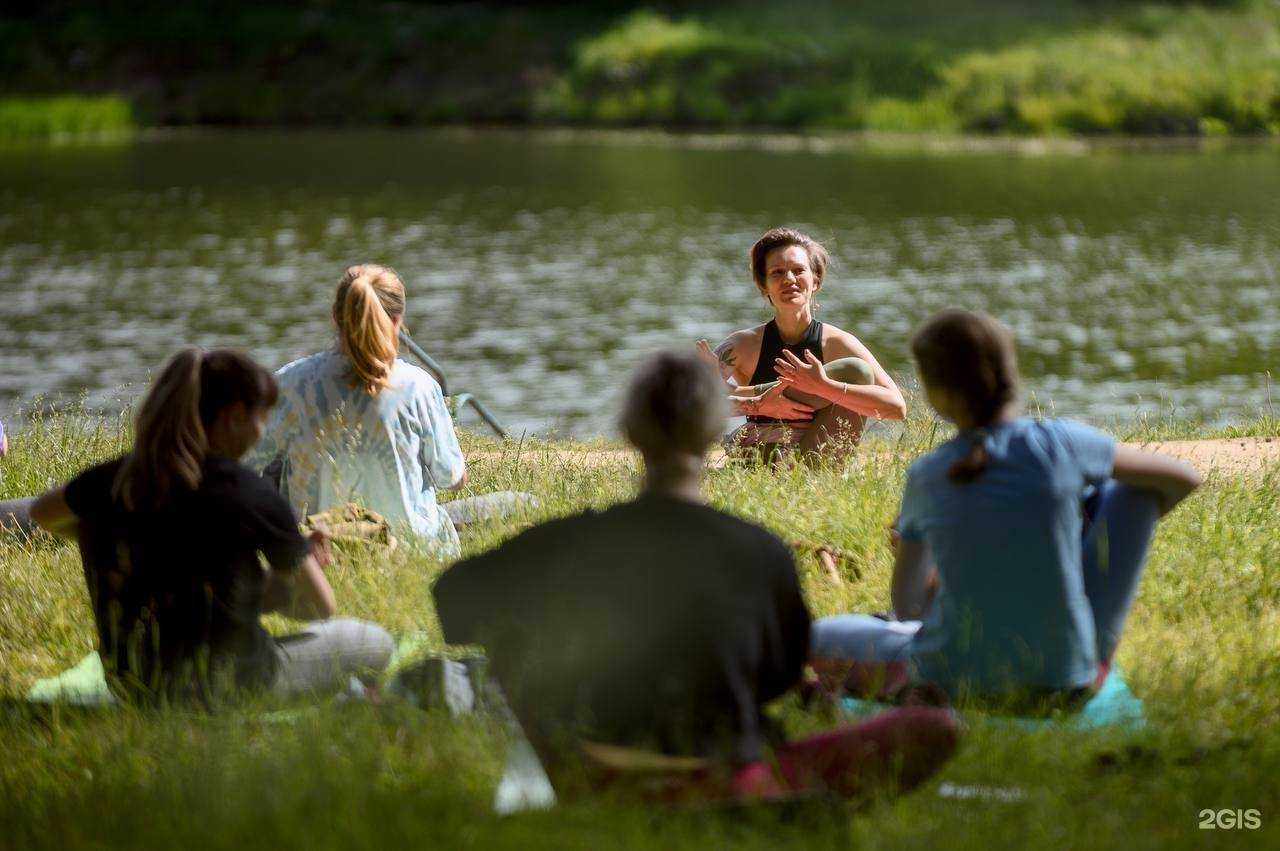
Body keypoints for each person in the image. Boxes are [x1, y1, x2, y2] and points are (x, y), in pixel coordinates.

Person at [433, 351, 958, 803]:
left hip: (591, 771)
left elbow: (452, 602)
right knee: (930, 726)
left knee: (508, 634)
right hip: (729, 776)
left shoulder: (565, 542)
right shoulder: (761, 551)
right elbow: (779, 679)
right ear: (713, 433)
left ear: (631, 433)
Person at [809, 309, 1202, 709]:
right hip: (1065, 683)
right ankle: (1090, 653)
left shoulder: (927, 475)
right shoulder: (1062, 443)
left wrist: (942, 565)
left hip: (953, 682)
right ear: (1010, 374)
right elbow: (1183, 478)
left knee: (818, 635)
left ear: (935, 395)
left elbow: (908, 610)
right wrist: (1086, 537)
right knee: (1131, 493)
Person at [28, 348, 394, 705]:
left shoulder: (111, 479)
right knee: (372, 640)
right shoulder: (251, 494)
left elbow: (42, 513)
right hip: (234, 686)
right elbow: (320, 607)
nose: (261, 432)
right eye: (260, 419)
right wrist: (301, 564)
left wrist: (106, 534)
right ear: (234, 417)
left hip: (134, 685)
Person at [246, 264, 532, 557]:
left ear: (335, 318)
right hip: (409, 549)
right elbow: (452, 478)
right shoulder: (418, 387)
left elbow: (249, 464)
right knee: (520, 502)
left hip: (320, 551)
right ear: (397, 321)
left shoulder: (289, 383)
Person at [697, 227, 906, 459]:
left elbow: (897, 408)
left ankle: (810, 472)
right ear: (763, 284)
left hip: (818, 461)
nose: (789, 280)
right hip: (760, 460)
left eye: (798, 271)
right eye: (777, 272)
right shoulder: (742, 345)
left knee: (855, 370)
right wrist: (758, 404)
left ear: (815, 281)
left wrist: (825, 386)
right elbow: (685, 405)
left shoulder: (838, 343)